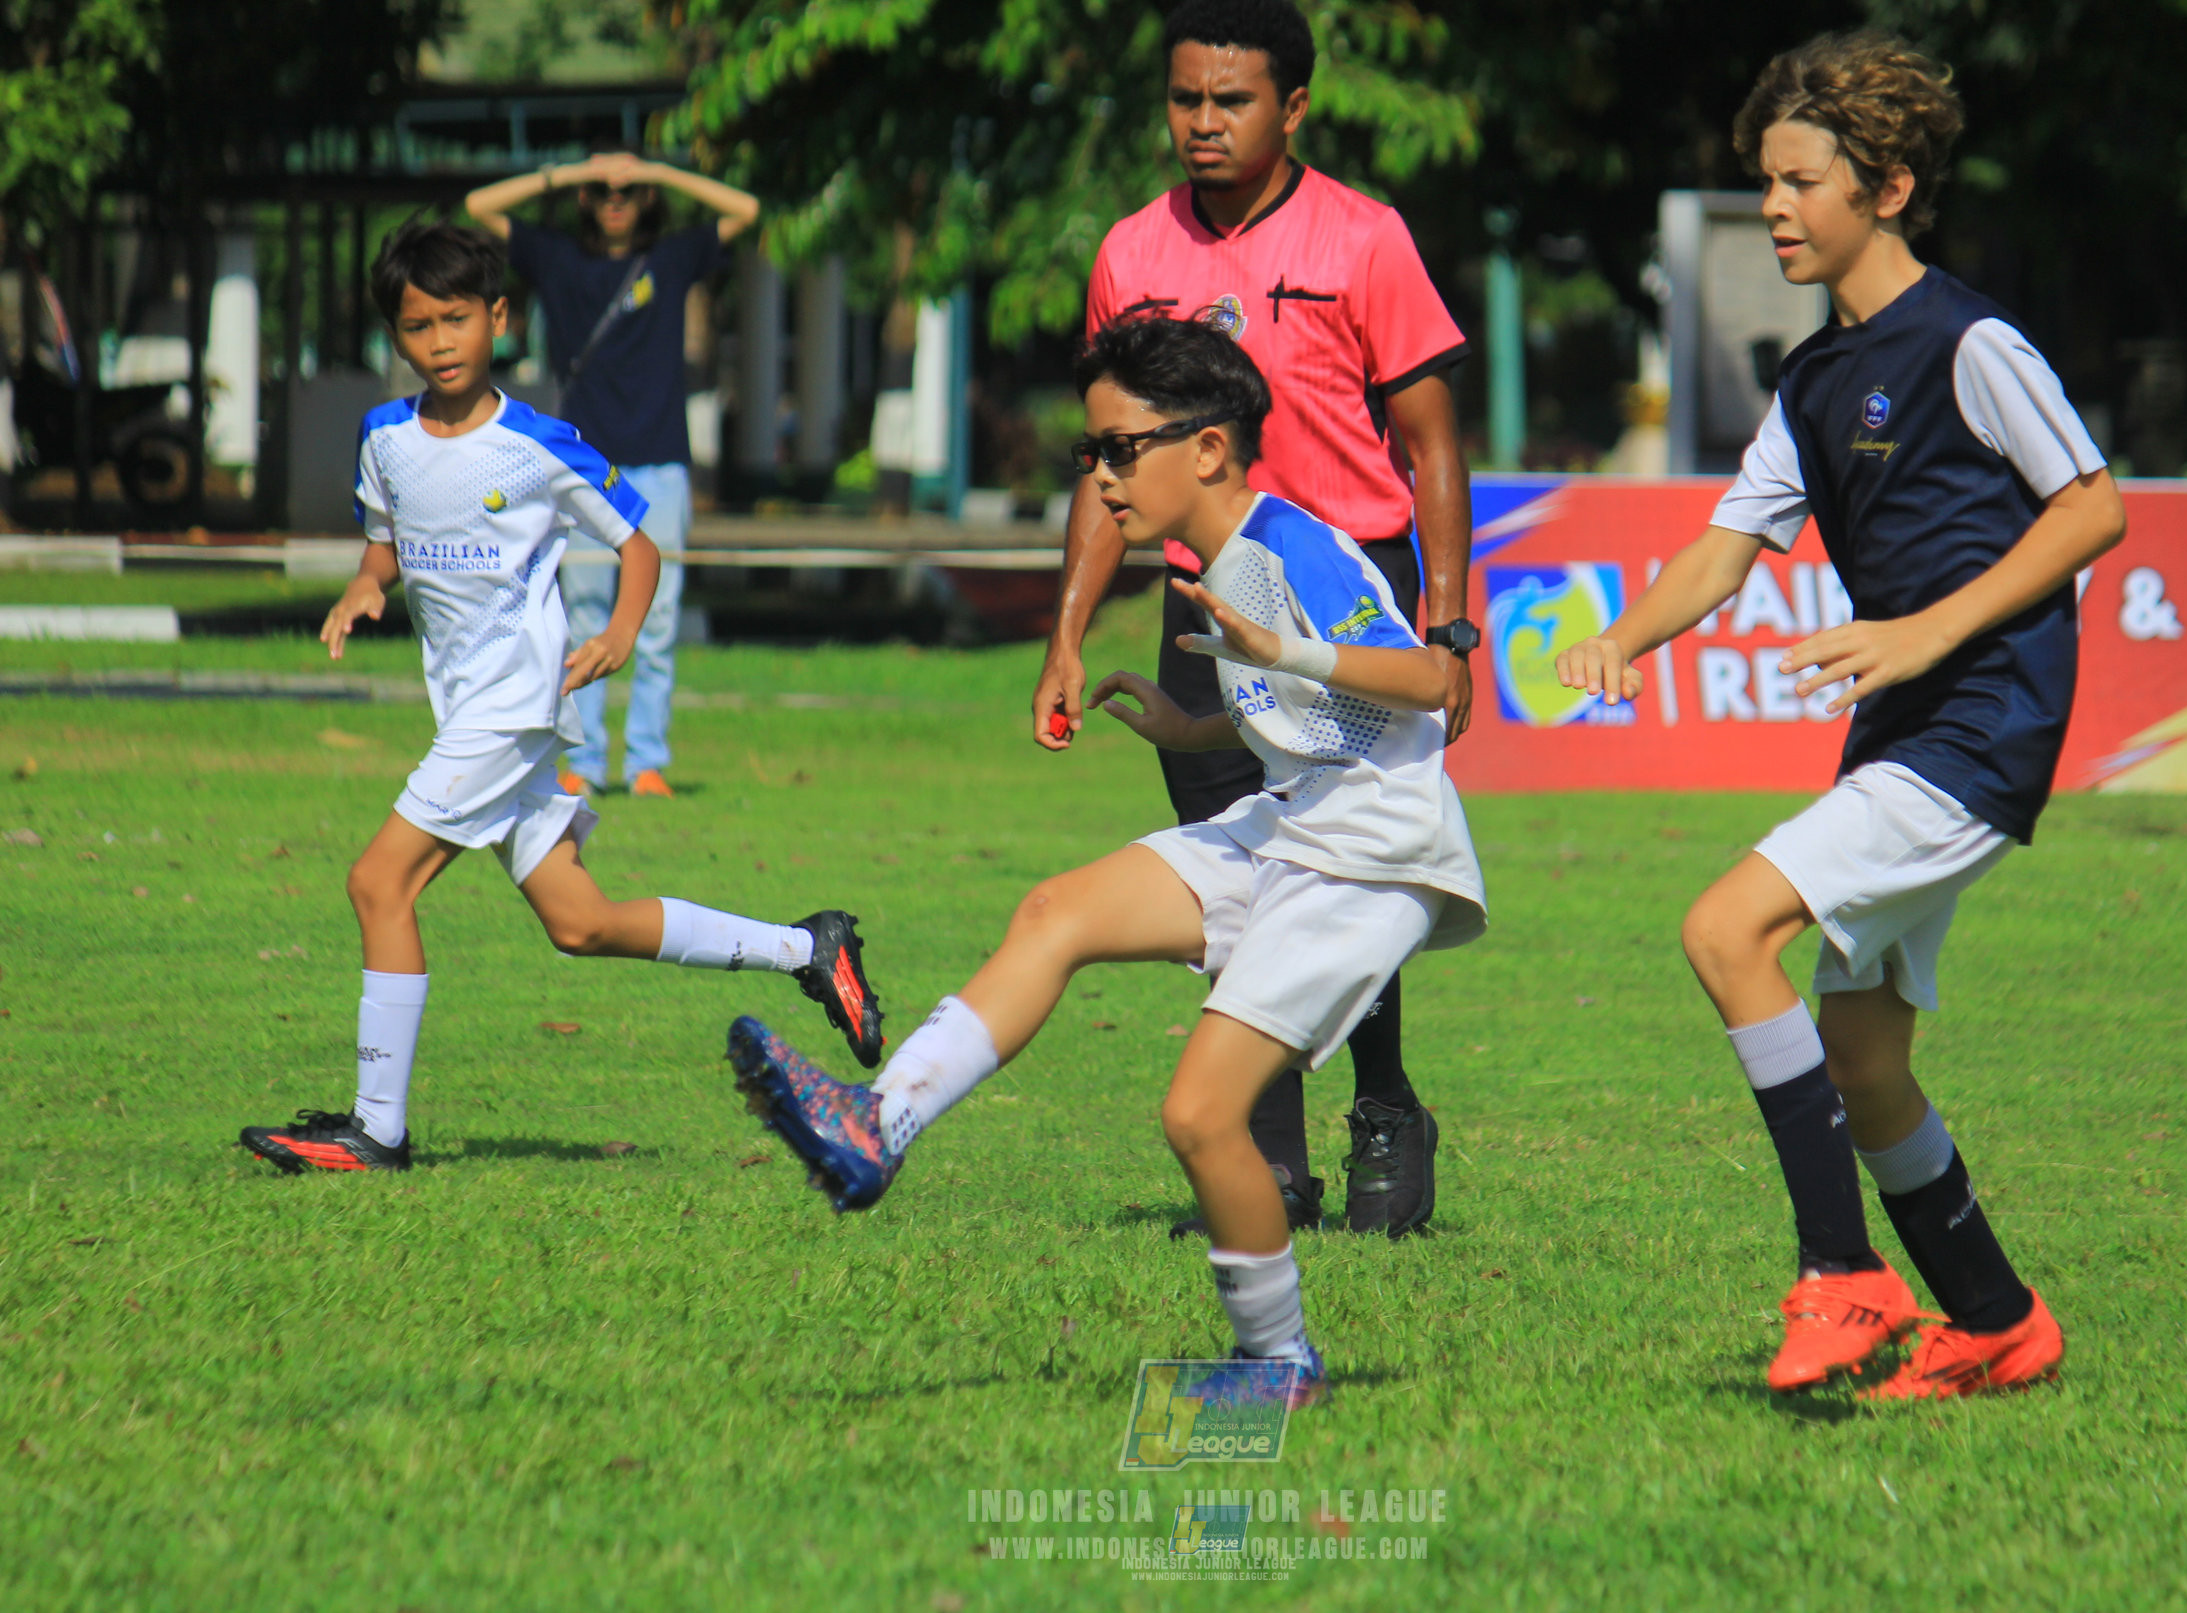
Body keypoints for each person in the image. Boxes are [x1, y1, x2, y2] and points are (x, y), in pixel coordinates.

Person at [723, 316, 1485, 1399]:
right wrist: (1196, 729)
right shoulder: (1221, 564)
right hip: (1294, 818)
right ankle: (875, 1121)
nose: (1101, 477)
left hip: (1370, 853)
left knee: (1200, 1113)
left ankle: (1278, 1363)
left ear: (1209, 449)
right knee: (1056, 910)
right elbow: (1311, 709)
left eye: (1120, 449)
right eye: (1090, 453)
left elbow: (1427, 685)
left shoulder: (1289, 545)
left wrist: (1280, 649)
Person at [1557, 32, 2126, 1399]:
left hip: (1978, 722)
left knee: (1721, 928)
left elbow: (2091, 506)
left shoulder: (1969, 342)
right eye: (1762, 181)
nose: (1770, 207)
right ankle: (1993, 1318)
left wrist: (1923, 631)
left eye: (1796, 180)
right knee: (1863, 1059)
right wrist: (1621, 637)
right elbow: (1725, 544)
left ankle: (1840, 1272)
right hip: (1902, 736)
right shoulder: (1812, 382)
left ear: (1885, 185)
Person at [238, 223, 881, 1175]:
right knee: (580, 924)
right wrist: (366, 582)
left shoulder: (539, 445)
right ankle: (809, 949)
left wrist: (621, 630)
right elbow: (387, 534)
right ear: (397, 336)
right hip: (469, 711)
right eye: (418, 326)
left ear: (498, 318)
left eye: (457, 319)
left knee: (379, 882)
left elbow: (640, 544)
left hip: (514, 705)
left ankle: (377, 1130)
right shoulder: (383, 437)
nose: (440, 341)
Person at [1031, 0, 1479, 1240]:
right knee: (1242, 869)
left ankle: (1383, 1102)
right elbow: (1106, 460)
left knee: (1351, 861)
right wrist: (1069, 632)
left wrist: (1447, 630)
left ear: (1291, 107)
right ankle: (1266, 1156)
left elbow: (1432, 442)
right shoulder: (1130, 251)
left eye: (1230, 102)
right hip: (1211, 597)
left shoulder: (1366, 238)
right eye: (1184, 100)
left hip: (1351, 593)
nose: (1203, 124)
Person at [465, 152, 760, 800]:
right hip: (585, 465)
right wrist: (571, 173)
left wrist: (655, 171)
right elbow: (480, 207)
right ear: (584, 200)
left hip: (661, 462)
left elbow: (746, 210)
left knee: (656, 619)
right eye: (602, 192)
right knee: (584, 614)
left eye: (626, 193)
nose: (614, 201)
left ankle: (646, 761)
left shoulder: (671, 259)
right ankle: (586, 760)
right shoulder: (559, 259)